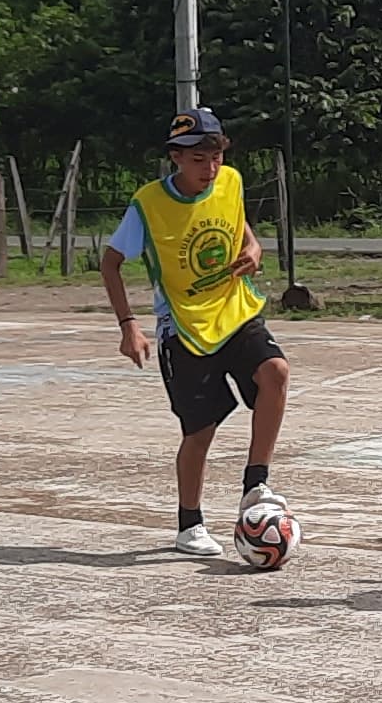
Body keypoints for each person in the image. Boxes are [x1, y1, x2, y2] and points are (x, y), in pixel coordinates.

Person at [99, 105, 288, 559]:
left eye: (216, 156)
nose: (210, 168)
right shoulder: (149, 204)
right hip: (183, 325)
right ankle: (190, 525)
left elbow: (240, 226)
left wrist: (254, 249)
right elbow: (110, 263)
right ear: (176, 157)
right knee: (200, 430)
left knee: (276, 372)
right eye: (199, 159)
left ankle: (256, 483)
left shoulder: (231, 181)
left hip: (234, 309)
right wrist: (129, 326)